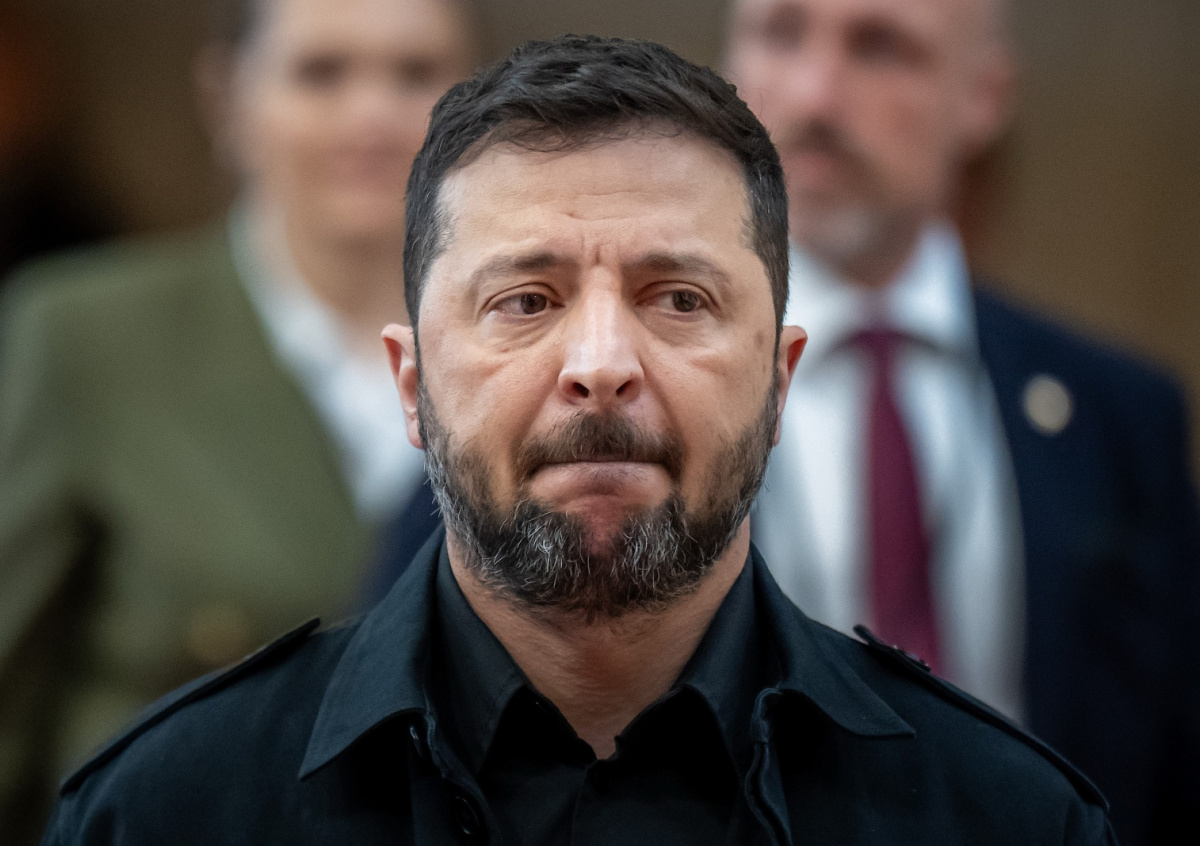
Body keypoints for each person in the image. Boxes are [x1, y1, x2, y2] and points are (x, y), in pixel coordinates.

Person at [41, 35, 1114, 844]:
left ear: (780, 380)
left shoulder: (1009, 819)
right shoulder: (165, 810)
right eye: (526, 300)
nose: (601, 363)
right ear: (412, 385)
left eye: (680, 298)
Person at [722, 0, 1200, 842]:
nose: (815, 94)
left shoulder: (1121, 417)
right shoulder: (639, 397)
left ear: (984, 95)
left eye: (881, 47)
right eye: (780, 35)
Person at [0, 0, 476, 840]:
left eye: (415, 74)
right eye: (321, 73)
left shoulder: (536, 353)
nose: (372, 113)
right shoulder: (86, 336)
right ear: (228, 100)